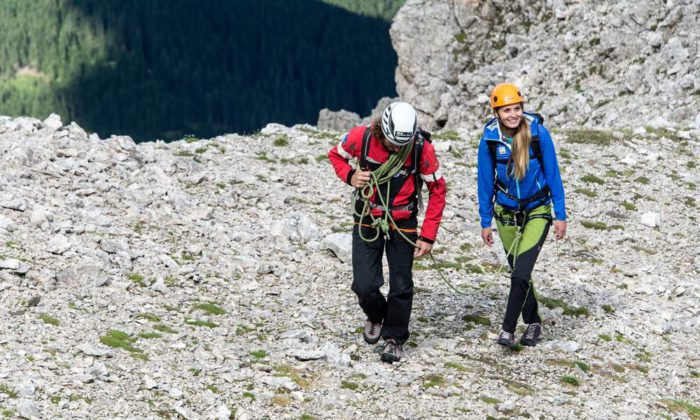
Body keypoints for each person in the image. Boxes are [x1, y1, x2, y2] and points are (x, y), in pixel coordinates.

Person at [328, 102, 447, 363]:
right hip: (367, 217)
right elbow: (335, 155)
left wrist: (428, 234)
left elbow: (437, 189)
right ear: (383, 129)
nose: (396, 149)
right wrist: (350, 176)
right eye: (393, 144)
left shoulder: (420, 148)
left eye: (400, 145)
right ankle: (376, 315)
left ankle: (395, 338)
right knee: (364, 284)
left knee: (401, 285)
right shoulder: (363, 137)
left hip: (403, 222)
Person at [476, 83, 567, 347]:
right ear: (496, 113)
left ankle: (507, 330)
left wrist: (559, 214)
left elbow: (553, 174)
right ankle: (534, 323)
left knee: (519, 273)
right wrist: (485, 221)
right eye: (506, 110)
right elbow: (484, 182)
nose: (513, 115)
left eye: (516, 108)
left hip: (537, 210)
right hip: (505, 213)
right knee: (520, 272)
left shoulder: (538, 134)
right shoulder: (490, 140)